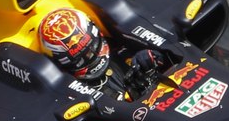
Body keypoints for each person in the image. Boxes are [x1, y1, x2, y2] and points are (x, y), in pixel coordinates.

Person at [38, 7, 167, 100]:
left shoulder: (122, 50)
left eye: (91, 47)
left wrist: (152, 58)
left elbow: (166, 60)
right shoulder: (71, 91)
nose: (90, 57)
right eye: (79, 59)